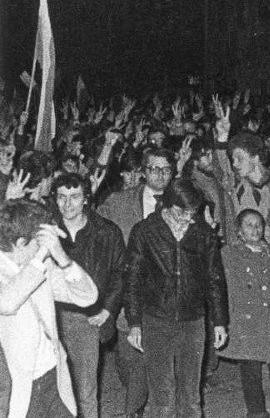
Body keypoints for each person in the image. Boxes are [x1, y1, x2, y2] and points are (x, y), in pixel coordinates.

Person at [124, 178, 229, 418]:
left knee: (191, 396)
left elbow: (215, 279)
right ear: (166, 206)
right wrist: (134, 323)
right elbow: (133, 280)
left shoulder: (203, 233)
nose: (189, 219)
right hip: (156, 319)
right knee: (162, 395)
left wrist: (220, 321)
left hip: (193, 321)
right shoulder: (145, 231)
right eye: (182, 212)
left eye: (193, 212)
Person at [0, 198, 98, 418]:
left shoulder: (41, 264)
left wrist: (62, 258)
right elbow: (6, 302)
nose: (44, 249)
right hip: (19, 389)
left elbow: (87, 297)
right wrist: (40, 255)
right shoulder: (31, 264)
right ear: (21, 243)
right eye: (39, 242)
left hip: (54, 378)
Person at [98, 147, 175, 418]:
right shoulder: (118, 202)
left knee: (151, 363)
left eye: (166, 169)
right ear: (143, 172)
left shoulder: (182, 201)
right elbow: (98, 236)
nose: (160, 175)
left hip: (164, 298)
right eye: (154, 169)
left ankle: (136, 410)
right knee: (128, 361)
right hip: (126, 297)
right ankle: (137, 401)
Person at [53, 173, 126, 418]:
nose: (67, 204)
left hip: (86, 318)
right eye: (62, 197)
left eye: (74, 197)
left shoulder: (106, 231)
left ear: (86, 198)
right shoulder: (47, 230)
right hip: (51, 317)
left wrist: (108, 309)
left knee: (85, 390)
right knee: (53, 390)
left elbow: (120, 272)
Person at [220, 209, 270, 418]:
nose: (255, 229)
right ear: (239, 231)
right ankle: (257, 412)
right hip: (246, 322)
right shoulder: (228, 254)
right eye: (249, 225)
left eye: (259, 224)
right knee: (250, 370)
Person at [214, 108, 270, 246]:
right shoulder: (237, 184)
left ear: (256, 158)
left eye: (239, 158)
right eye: (233, 159)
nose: (234, 163)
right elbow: (221, 166)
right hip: (251, 254)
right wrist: (222, 136)